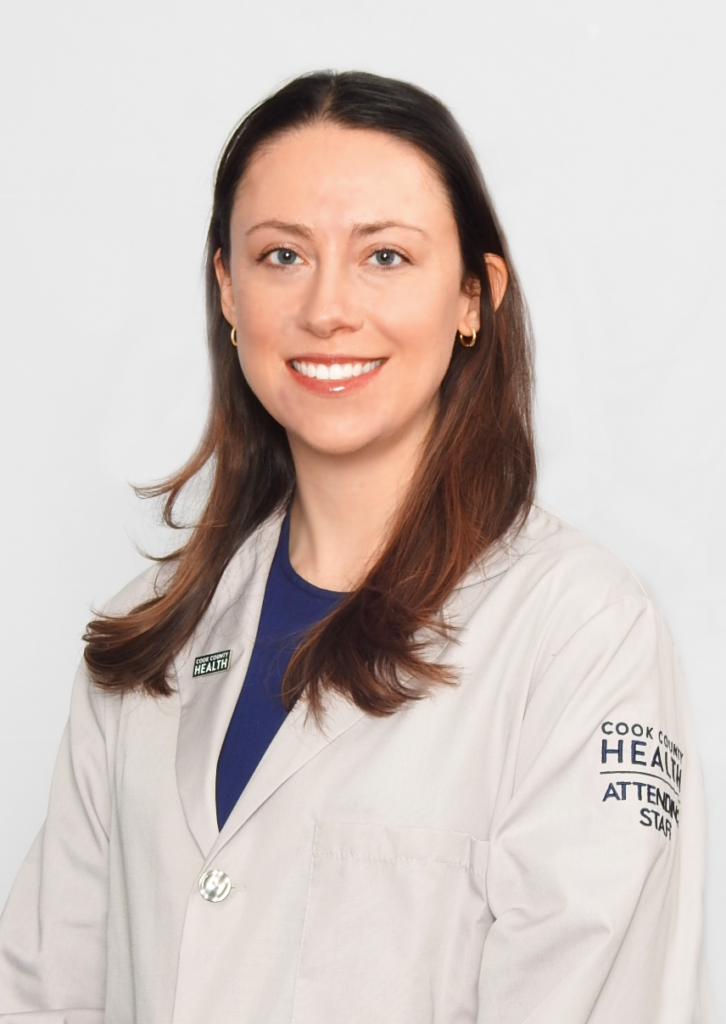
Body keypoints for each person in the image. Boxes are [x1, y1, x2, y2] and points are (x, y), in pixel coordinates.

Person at [0, 71, 708, 1023]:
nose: (328, 308)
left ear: (474, 296)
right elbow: (45, 994)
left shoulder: (580, 634)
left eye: (385, 256)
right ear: (227, 289)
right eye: (282, 255)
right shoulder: (148, 639)